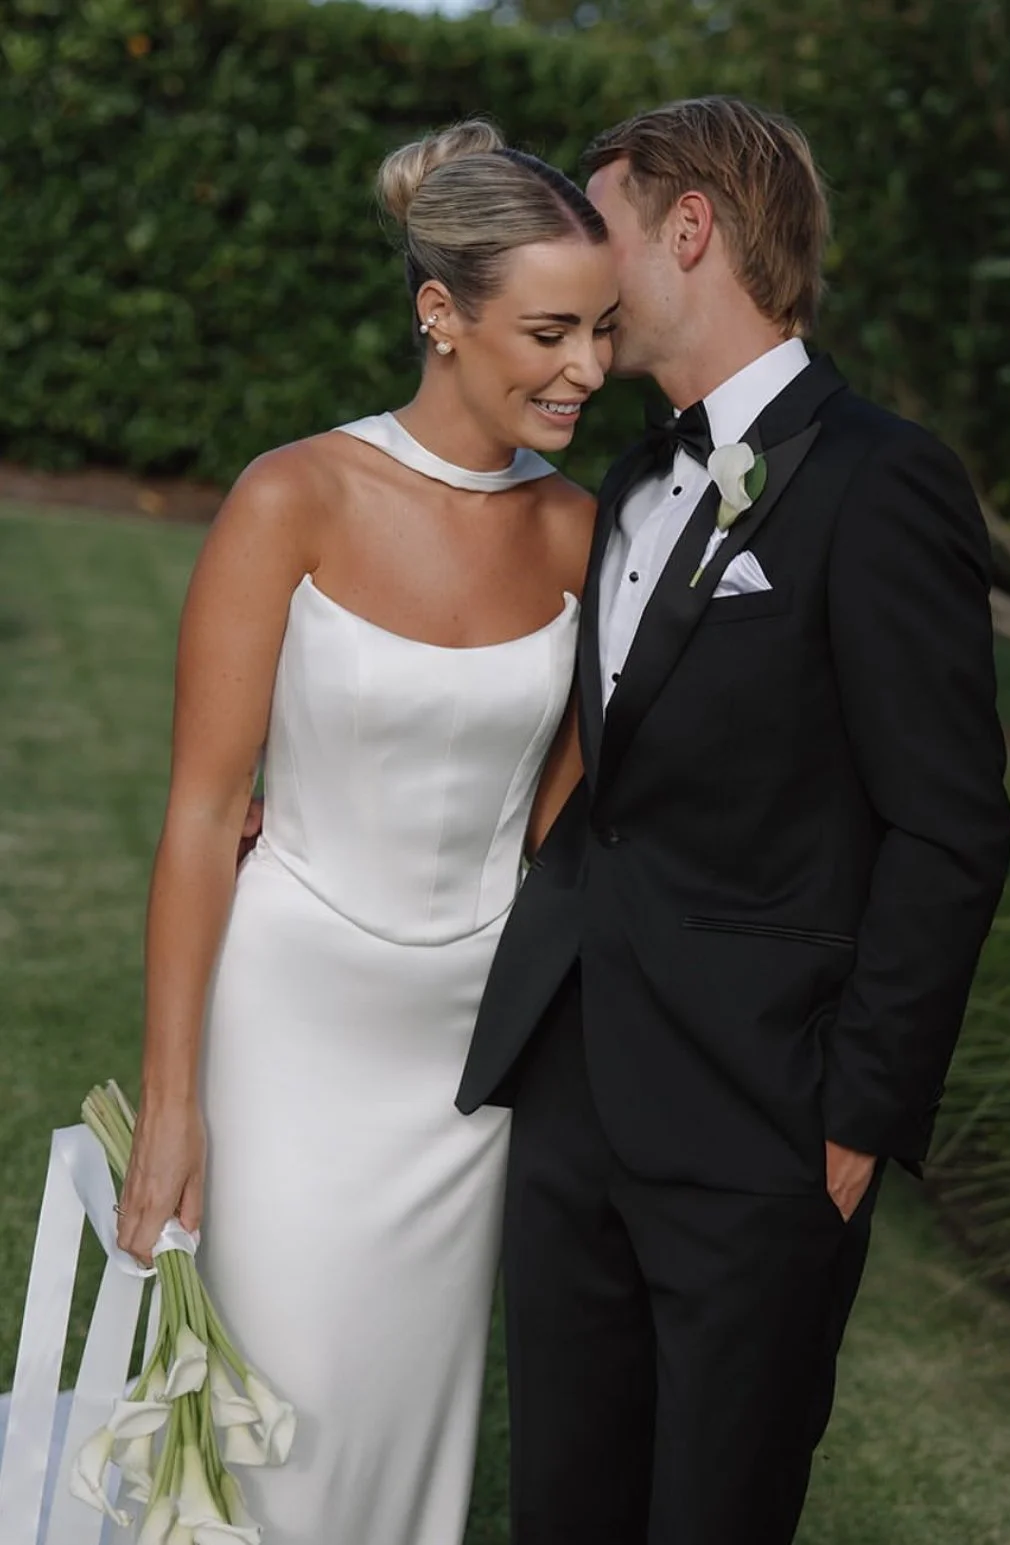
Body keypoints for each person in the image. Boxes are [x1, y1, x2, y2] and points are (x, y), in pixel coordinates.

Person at [457, 96, 1010, 1544]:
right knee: (561, 1503)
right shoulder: (633, 477)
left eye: (596, 231)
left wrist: (856, 1113)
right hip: (574, 1087)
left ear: (687, 228)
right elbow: (597, 768)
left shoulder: (882, 482)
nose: (571, 276)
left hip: (760, 1120)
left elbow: (948, 826)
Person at [114, 121, 618, 1545]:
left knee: (403, 1443)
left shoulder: (586, 532)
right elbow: (204, 813)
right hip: (286, 1033)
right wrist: (172, 1105)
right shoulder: (295, 498)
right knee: (267, 1430)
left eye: (601, 329)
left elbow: (563, 822)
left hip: (467, 1065)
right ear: (439, 315)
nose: (585, 367)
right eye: (548, 330)